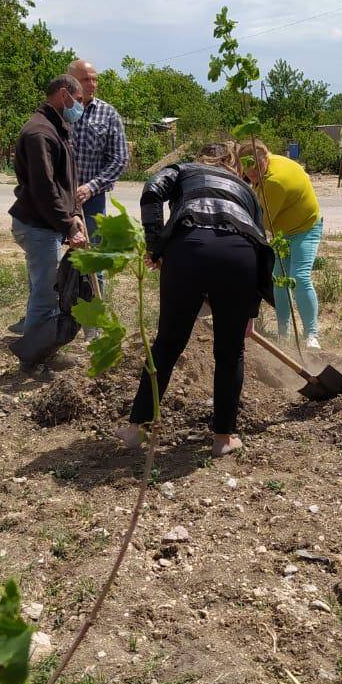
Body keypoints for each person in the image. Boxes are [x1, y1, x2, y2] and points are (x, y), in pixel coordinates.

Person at [116, 143, 275, 458]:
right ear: (232, 164)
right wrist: (249, 312)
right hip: (239, 256)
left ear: (200, 158)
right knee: (230, 352)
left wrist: (155, 245)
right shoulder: (246, 189)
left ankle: (136, 429)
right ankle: (223, 438)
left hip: (188, 249)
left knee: (168, 344)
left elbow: (152, 190)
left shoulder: (182, 170)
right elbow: (259, 243)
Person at [8, 75, 87, 339]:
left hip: (44, 223)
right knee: (46, 297)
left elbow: (66, 181)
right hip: (37, 226)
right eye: (78, 100)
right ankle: (34, 354)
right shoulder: (40, 132)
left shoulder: (55, 127)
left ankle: (38, 346)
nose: (80, 106)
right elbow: (44, 188)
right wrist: (68, 224)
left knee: (42, 290)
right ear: (64, 95)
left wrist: (74, 214)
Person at [242, 140, 324, 349]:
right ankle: (283, 334)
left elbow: (261, 222)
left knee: (299, 277)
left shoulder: (275, 182)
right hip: (283, 232)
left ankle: (311, 335)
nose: (251, 172)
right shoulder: (269, 166)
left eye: (256, 166)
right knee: (279, 280)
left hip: (305, 228)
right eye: (247, 167)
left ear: (266, 157)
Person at [67, 59, 129, 243]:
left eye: (95, 79)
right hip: (58, 195)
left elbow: (120, 159)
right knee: (52, 249)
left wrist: (90, 187)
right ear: (71, 80)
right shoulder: (59, 109)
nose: (92, 84)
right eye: (86, 79)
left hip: (92, 199)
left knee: (92, 252)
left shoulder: (108, 114)